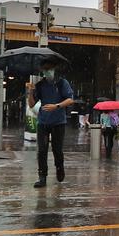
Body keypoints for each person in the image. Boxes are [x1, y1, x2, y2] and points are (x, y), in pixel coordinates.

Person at [25, 58, 74, 188]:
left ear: (54, 69)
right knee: (42, 150)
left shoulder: (62, 83)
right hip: (43, 122)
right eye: (45, 70)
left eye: (49, 69)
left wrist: (56, 106)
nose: (47, 72)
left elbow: (70, 100)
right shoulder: (40, 85)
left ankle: (59, 167)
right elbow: (31, 104)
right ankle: (42, 177)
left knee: (57, 149)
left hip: (58, 122)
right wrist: (30, 91)